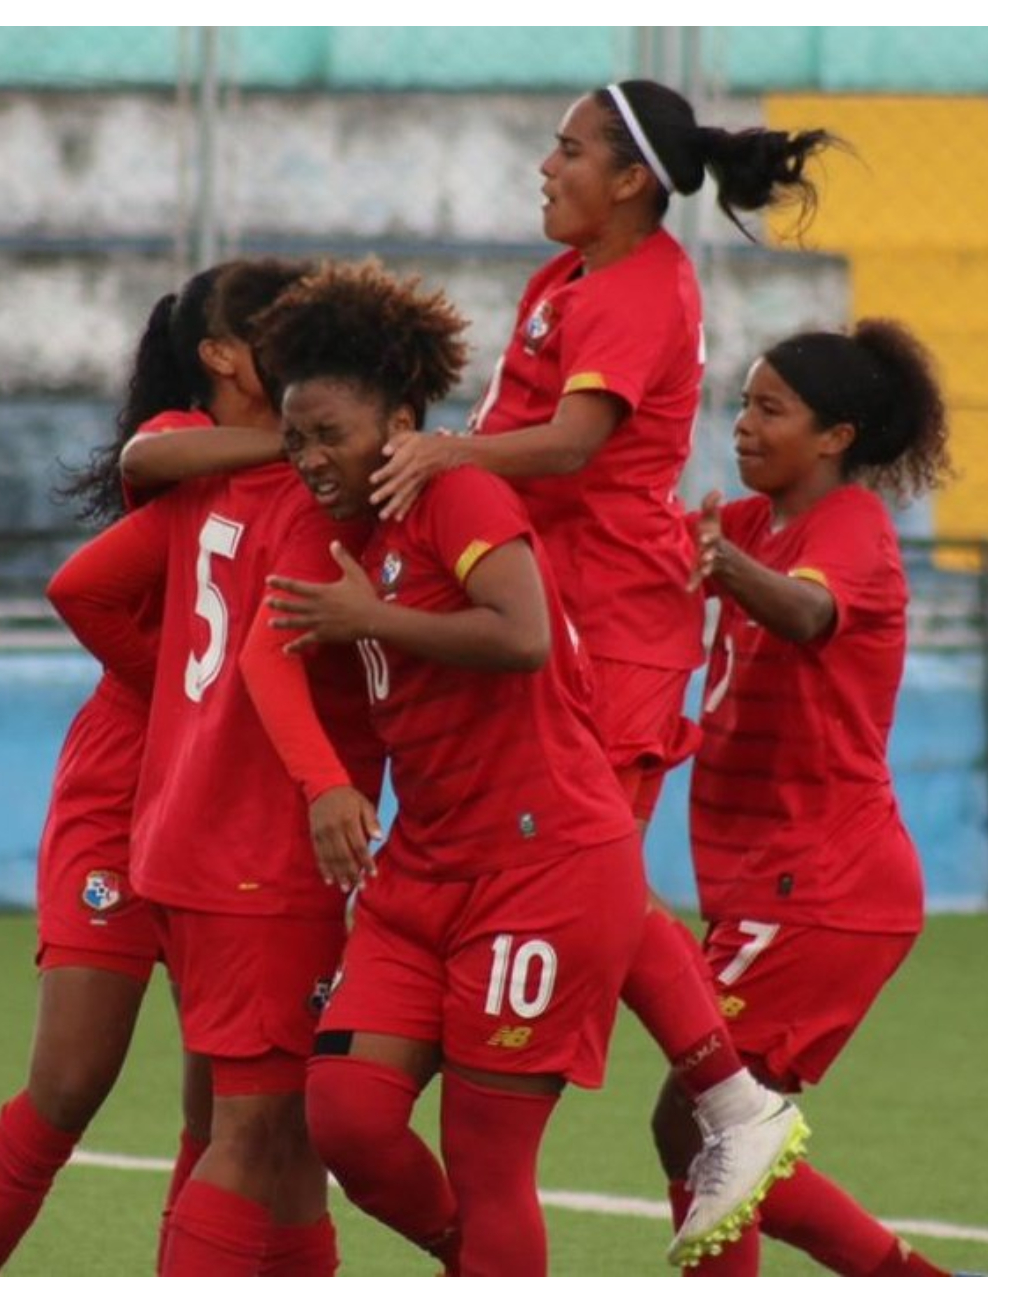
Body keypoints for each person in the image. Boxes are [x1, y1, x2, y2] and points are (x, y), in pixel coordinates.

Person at [359, 79, 841, 1255]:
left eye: (567, 149)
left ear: (631, 180)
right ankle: (725, 1098)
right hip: (565, 616)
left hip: (617, 629)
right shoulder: (568, 278)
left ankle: (732, 1097)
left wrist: (439, 455)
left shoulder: (639, 289)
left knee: (593, 870)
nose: (544, 164)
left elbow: (575, 447)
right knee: (578, 864)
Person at [259, 261, 645, 1275]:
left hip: (541, 867)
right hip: (425, 871)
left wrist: (365, 619)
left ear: (399, 418)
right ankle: (472, 1263)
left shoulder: (459, 491)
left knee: (488, 1157)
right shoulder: (363, 524)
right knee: (346, 1116)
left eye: (327, 433)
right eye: (293, 437)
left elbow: (521, 635)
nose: (306, 457)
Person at [0, 258, 314, 1276]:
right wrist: (200, 697)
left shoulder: (304, 473)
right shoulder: (193, 449)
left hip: (231, 811)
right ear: (223, 357)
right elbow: (130, 488)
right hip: (124, 790)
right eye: (287, 323)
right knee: (71, 1080)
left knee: (231, 1105)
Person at [662, 323, 951, 1276]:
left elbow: (808, 611)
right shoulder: (749, 524)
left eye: (769, 408)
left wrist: (726, 569)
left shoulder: (850, 527)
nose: (742, 425)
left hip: (828, 882)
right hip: (768, 880)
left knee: (704, 1115)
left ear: (835, 436)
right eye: (743, 402)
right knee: (704, 1125)